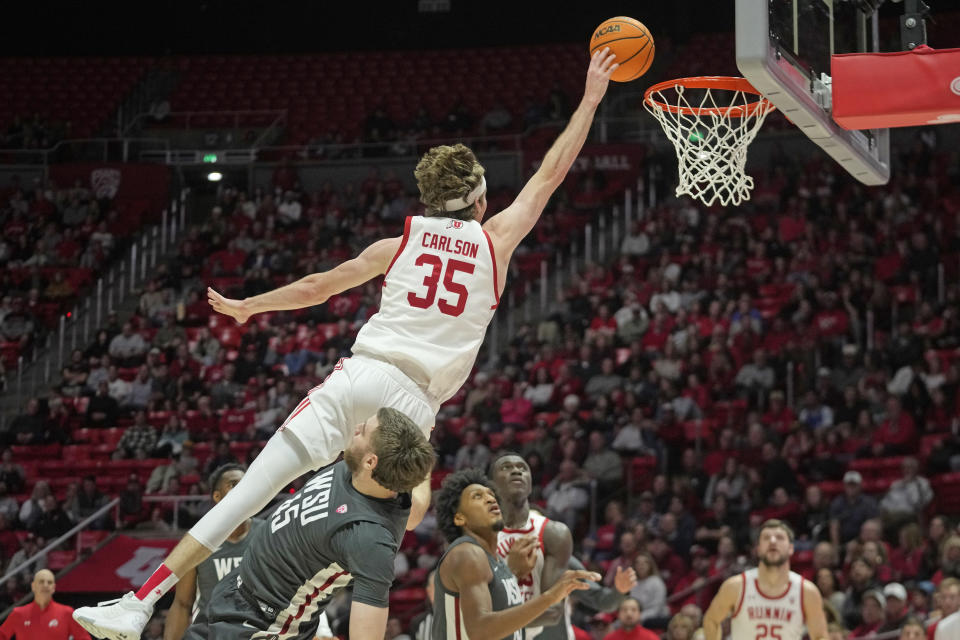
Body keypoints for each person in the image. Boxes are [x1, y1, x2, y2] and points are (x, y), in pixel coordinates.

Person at [73, 45, 620, 640]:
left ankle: (136, 602)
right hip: (412, 405)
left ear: (429, 204)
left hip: (357, 376)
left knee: (250, 493)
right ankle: (329, 615)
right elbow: (551, 173)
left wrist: (250, 306)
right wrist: (591, 95)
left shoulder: (396, 246)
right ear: (481, 199)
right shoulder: (497, 241)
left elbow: (317, 287)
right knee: (395, 521)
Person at [166, 408, 432, 640]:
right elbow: (417, 510)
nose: (357, 427)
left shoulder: (371, 539)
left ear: (371, 461)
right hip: (234, 589)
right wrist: (422, 438)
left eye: (364, 431)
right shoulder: (361, 470)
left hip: (263, 625)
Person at [431, 468, 600, 640]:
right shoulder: (467, 553)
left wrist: (513, 573)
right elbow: (480, 630)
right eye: (477, 496)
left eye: (491, 494)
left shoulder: (495, 562)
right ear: (460, 518)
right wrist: (550, 596)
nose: (490, 499)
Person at [490, 452, 632, 640]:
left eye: (522, 468)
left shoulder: (553, 539)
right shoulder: (482, 537)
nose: (516, 471)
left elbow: (598, 600)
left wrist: (619, 591)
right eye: (507, 468)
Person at [163, 464, 263, 640]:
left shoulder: (267, 533)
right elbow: (182, 603)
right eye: (233, 484)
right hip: (210, 633)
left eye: (246, 483)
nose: (243, 488)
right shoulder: (197, 540)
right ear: (217, 496)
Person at [703, 520, 829, 640]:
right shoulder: (736, 586)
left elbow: (820, 636)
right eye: (766, 537)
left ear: (791, 548)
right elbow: (711, 620)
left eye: (779, 537)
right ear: (757, 549)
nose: (773, 541)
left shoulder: (806, 591)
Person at [0, 569, 91, 640]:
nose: (45, 585)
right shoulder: (18, 614)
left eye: (49, 582)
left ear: (54, 587)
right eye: (41, 582)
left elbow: (84, 638)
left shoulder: (66, 613)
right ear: (33, 586)